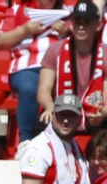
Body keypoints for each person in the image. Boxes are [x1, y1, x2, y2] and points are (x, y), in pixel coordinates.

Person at [0, 0, 66, 143]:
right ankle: (26, 141)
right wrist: (23, 31)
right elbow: (0, 42)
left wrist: (67, 33)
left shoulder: (68, 12)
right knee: (30, 88)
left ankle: (67, 140)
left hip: (60, 68)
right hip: (26, 67)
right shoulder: (16, 11)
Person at [37, 1, 106, 132]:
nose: (81, 26)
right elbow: (44, 89)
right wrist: (50, 106)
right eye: (77, 21)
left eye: (87, 22)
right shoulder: (55, 50)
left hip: (95, 115)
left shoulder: (105, 53)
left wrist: (103, 113)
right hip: (62, 111)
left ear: (98, 25)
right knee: (45, 119)